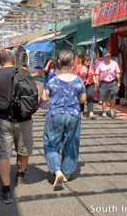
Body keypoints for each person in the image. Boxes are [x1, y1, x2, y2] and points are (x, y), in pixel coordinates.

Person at [0, 49, 39, 204]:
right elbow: (36, 92)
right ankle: (20, 175)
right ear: (13, 60)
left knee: (3, 154)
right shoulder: (25, 72)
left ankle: (7, 191)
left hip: (2, 120)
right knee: (23, 149)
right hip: (24, 118)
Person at [41, 50, 86, 191]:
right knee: (71, 142)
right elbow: (83, 99)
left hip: (55, 114)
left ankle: (56, 170)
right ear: (72, 62)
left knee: (51, 143)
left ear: (59, 62)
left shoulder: (51, 78)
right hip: (73, 114)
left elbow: (44, 98)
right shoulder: (78, 79)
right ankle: (67, 172)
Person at [94, 50, 121, 118]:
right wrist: (97, 82)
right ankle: (104, 111)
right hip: (103, 83)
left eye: (109, 56)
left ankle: (111, 109)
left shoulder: (114, 63)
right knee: (104, 98)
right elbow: (97, 74)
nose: (108, 57)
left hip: (112, 82)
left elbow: (117, 73)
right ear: (104, 57)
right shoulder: (100, 64)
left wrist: (119, 82)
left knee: (114, 96)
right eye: (106, 56)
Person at [75, 55, 96, 119]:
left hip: (90, 83)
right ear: (84, 61)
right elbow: (76, 76)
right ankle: (81, 112)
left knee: (90, 97)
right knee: (82, 98)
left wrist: (96, 82)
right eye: (87, 60)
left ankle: (91, 112)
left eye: (89, 60)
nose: (89, 62)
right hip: (81, 84)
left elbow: (93, 75)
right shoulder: (79, 67)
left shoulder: (91, 67)